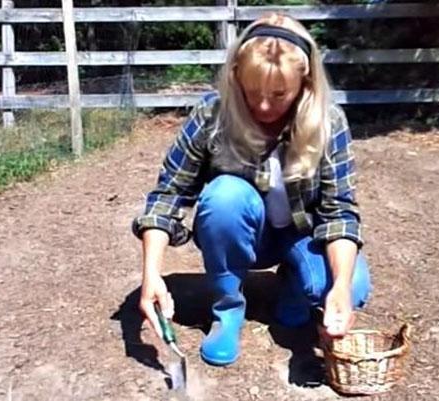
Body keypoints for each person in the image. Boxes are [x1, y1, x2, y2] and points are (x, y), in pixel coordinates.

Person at [132, 13, 371, 367]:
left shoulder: (328, 121)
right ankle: (227, 310)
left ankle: (294, 286)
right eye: (252, 92)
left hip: (302, 235)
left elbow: (339, 213)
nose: (262, 106)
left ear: (304, 84)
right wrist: (150, 273)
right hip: (245, 232)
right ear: (236, 78)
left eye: (279, 94)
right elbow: (167, 196)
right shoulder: (212, 115)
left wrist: (339, 290)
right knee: (224, 196)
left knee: (351, 287)